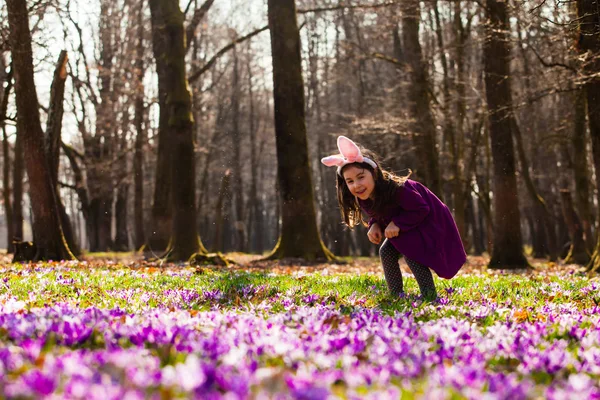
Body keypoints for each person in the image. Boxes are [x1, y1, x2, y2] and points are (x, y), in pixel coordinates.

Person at [321, 136, 466, 298]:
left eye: (361, 177)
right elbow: (380, 214)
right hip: (407, 225)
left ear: (374, 173)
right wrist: (374, 224)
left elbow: (420, 208)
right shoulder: (364, 197)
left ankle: (429, 294)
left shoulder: (398, 189)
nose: (356, 185)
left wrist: (397, 224)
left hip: (429, 220)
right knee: (386, 252)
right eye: (350, 181)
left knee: (411, 251)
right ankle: (396, 294)